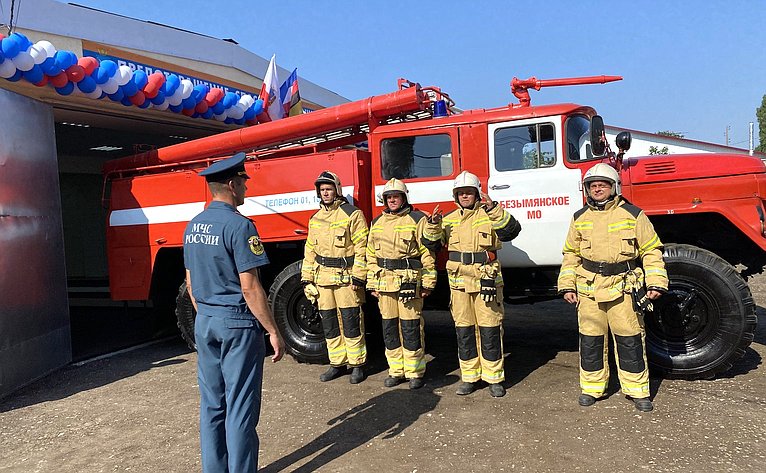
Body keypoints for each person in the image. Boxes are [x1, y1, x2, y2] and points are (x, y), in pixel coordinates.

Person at [182, 152, 285, 472]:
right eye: (242, 183)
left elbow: (190, 279)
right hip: (236, 325)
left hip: (206, 321)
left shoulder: (193, 225)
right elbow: (250, 287)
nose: (246, 189)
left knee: (213, 404)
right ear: (230, 184)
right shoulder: (240, 227)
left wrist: (206, 314)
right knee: (240, 407)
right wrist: (272, 330)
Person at [557, 163, 668, 412]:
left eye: (602, 185)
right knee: (591, 340)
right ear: (587, 189)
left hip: (623, 287)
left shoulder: (633, 215)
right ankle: (592, 388)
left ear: (613, 187)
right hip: (589, 289)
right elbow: (570, 254)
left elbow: (651, 250)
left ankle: (637, 390)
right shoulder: (579, 218)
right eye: (593, 185)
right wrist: (566, 285)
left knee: (630, 339)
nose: (597, 189)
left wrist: (656, 281)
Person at [423, 171, 521, 397]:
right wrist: (433, 226)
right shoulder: (448, 219)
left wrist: (494, 209)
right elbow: (431, 245)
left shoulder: (491, 215)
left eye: (469, 192)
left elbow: (511, 231)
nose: (465, 196)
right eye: (460, 193)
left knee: (490, 329)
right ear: (455, 196)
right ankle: (470, 377)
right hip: (459, 285)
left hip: (486, 281)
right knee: (464, 330)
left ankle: (493, 377)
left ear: (477, 194)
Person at [366, 178, 437, 389]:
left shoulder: (417, 219)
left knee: (411, 327)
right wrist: (373, 283)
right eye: (389, 197)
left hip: (409, 283)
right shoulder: (376, 222)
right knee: (389, 329)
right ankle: (396, 371)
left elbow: (427, 252)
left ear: (404, 197)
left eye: (396, 196)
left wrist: (428, 282)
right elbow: (370, 255)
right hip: (385, 284)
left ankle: (415, 372)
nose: (392, 200)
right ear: (384, 200)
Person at [301, 170, 369, 384]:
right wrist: (307, 279)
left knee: (351, 322)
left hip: (346, 279)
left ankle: (357, 364)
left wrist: (358, 276)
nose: (325, 193)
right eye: (322, 190)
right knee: (329, 324)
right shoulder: (315, 218)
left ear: (337, 190)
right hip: (323, 281)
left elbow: (362, 247)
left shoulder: (352, 214)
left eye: (328, 189)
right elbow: (310, 249)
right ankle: (337, 363)